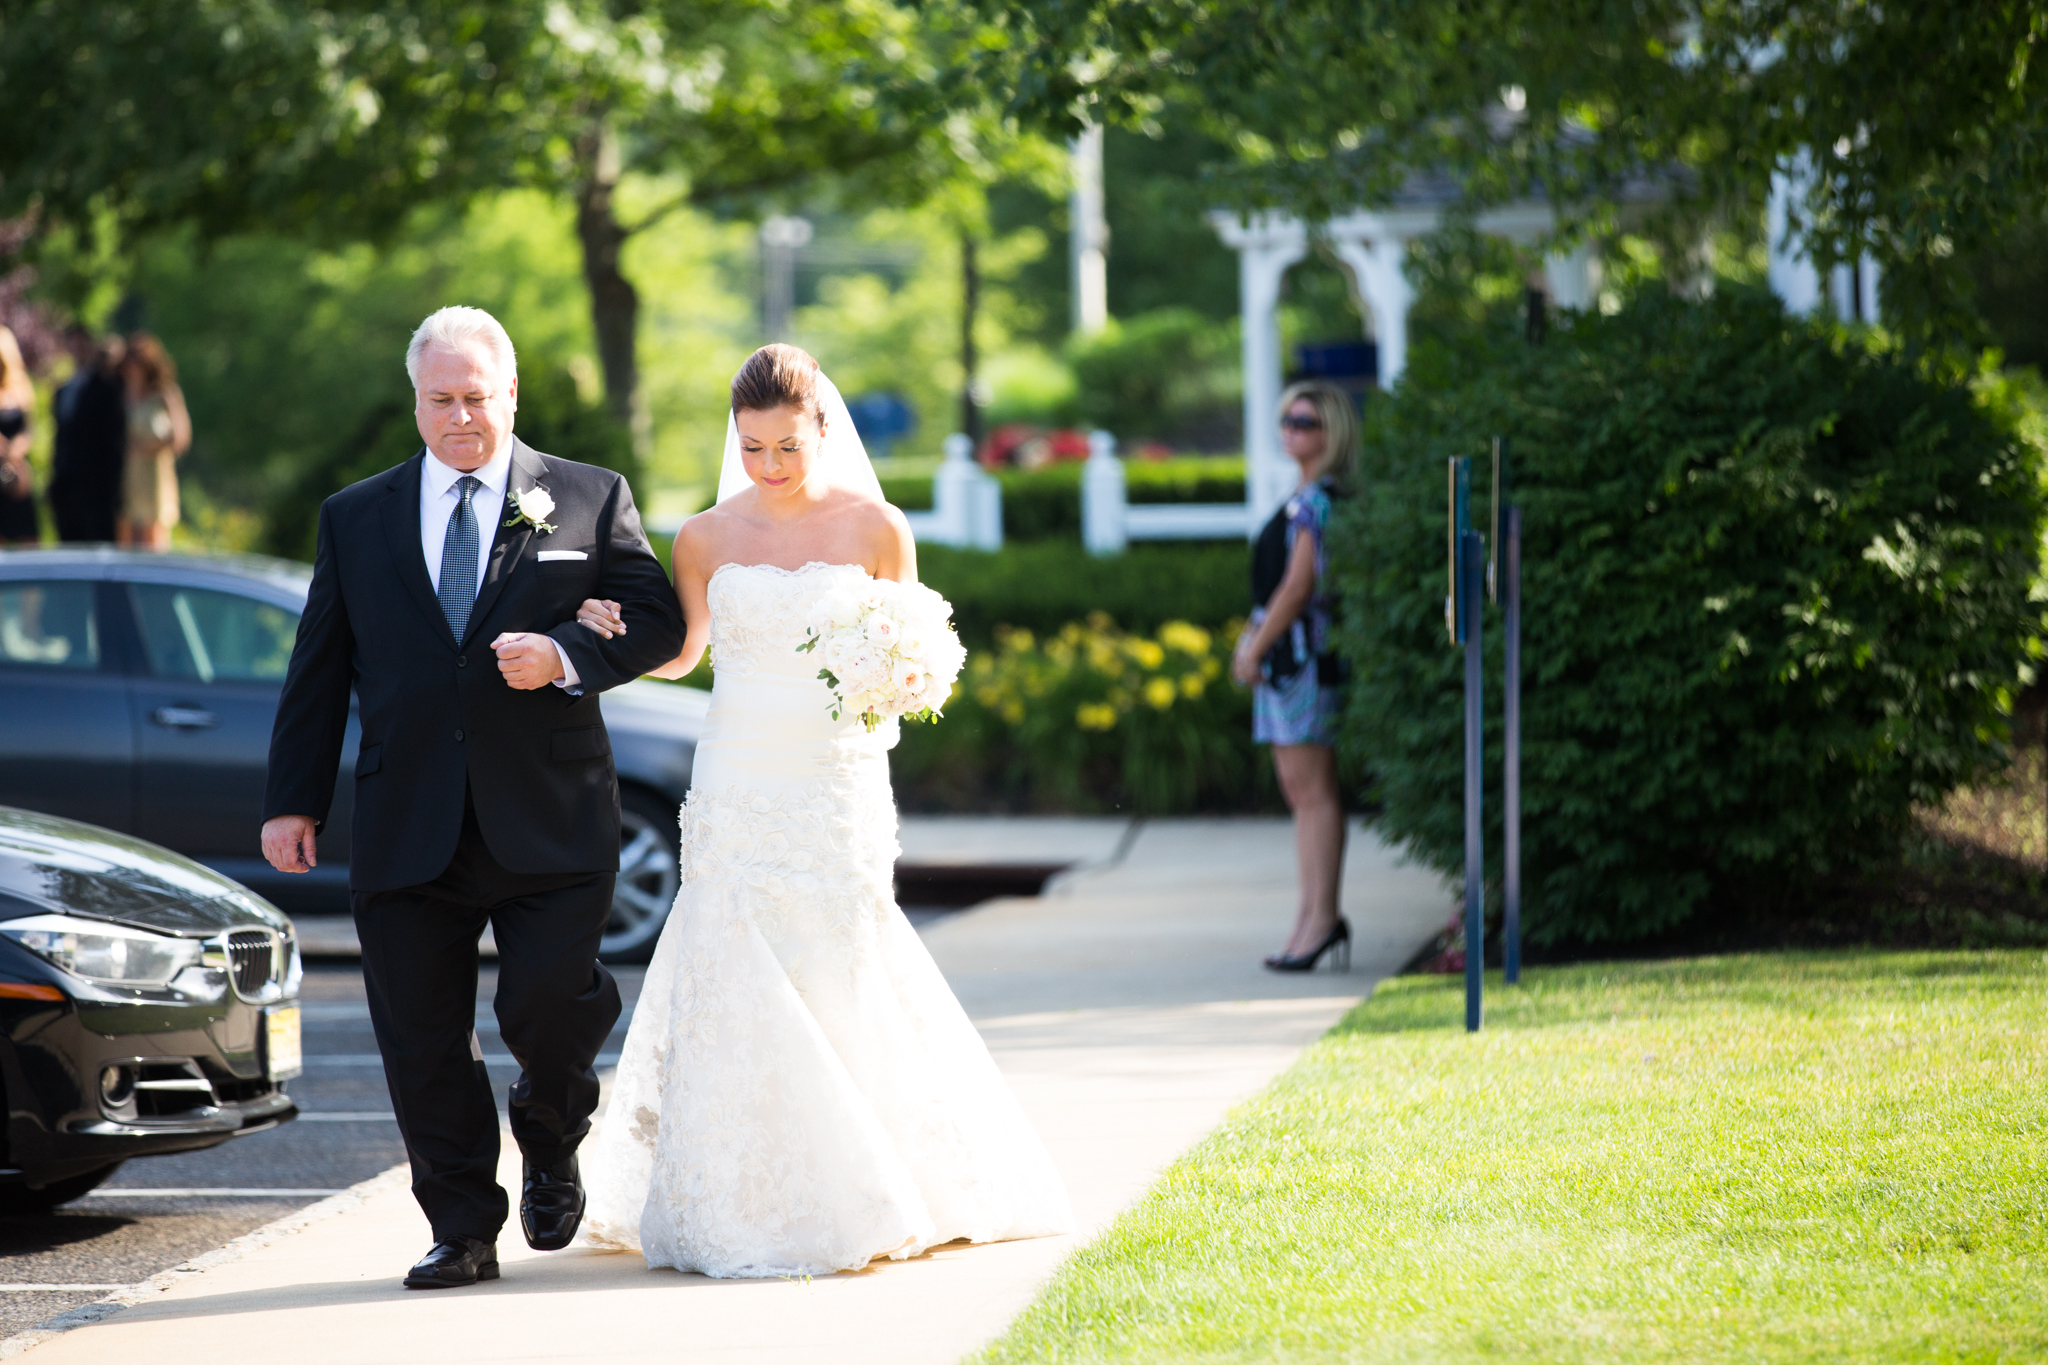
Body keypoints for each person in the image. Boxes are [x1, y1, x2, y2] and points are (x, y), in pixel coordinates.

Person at [573, 343, 1073, 1278]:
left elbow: (911, 641)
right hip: (737, 772)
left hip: (836, 774)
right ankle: (739, 1191)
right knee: (731, 953)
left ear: (823, 432)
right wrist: (612, 636)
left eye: (787, 447)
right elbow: (685, 655)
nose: (769, 465)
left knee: (842, 955)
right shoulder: (705, 536)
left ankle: (881, 1179)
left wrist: (903, 674)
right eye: (753, 446)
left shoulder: (877, 526)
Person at [260, 306, 685, 1290]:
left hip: (549, 813)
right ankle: (460, 1227)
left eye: (476, 398)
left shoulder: (585, 497)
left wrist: (569, 654)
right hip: (406, 819)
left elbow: (659, 620)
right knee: (419, 1035)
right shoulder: (355, 516)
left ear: (511, 395)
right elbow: (318, 670)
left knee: (549, 1004)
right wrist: (294, 801)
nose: (460, 417)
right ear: (416, 402)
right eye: (440, 400)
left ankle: (549, 1130)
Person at [1232, 380, 1357, 973]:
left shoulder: (1318, 500)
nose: (1292, 429)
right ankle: (1310, 919)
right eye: (1287, 419)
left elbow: (1299, 586)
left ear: (1331, 432)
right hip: (1291, 658)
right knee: (1301, 793)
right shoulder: (1302, 495)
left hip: (1303, 660)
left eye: (1305, 421)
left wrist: (1258, 643)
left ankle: (1321, 921)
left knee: (1313, 793)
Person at [47, 326, 125, 543]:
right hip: (66, 487)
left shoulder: (107, 388)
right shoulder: (63, 390)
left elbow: (113, 441)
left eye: (82, 343)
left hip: (95, 489)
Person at [117, 332, 192, 549]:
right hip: (125, 475)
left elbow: (180, 439)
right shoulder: (120, 393)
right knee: (125, 540)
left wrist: (141, 448)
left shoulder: (165, 394)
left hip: (154, 476)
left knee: (153, 543)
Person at [0, 328, 38, 546]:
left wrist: (15, 450)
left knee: (28, 537)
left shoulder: (21, 388)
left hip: (18, 471)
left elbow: (29, 428)